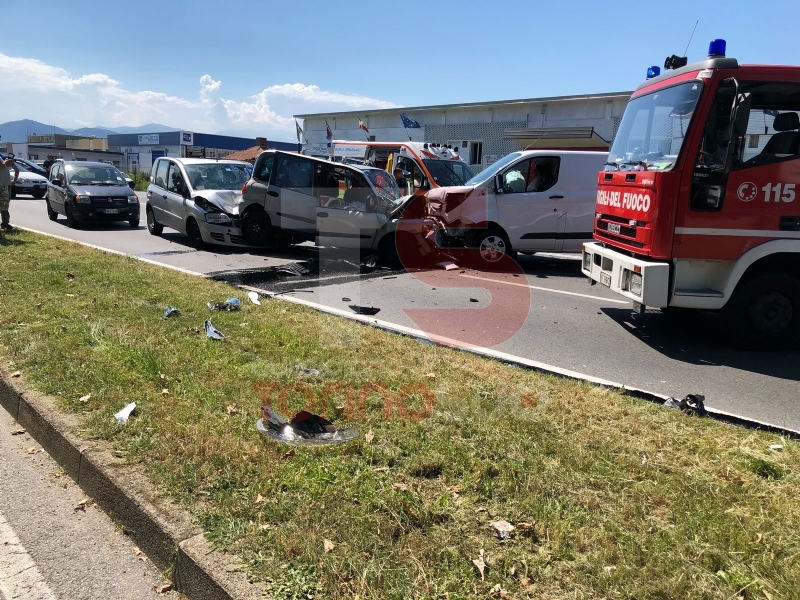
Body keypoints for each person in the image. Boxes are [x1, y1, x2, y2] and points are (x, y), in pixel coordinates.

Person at [0, 154, 20, 230]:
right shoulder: (4, 161)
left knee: (5, 206)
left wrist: (14, 180)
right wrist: (6, 163)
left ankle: (5, 223)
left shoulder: (3, 157)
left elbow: (16, 169)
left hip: (6, 186)